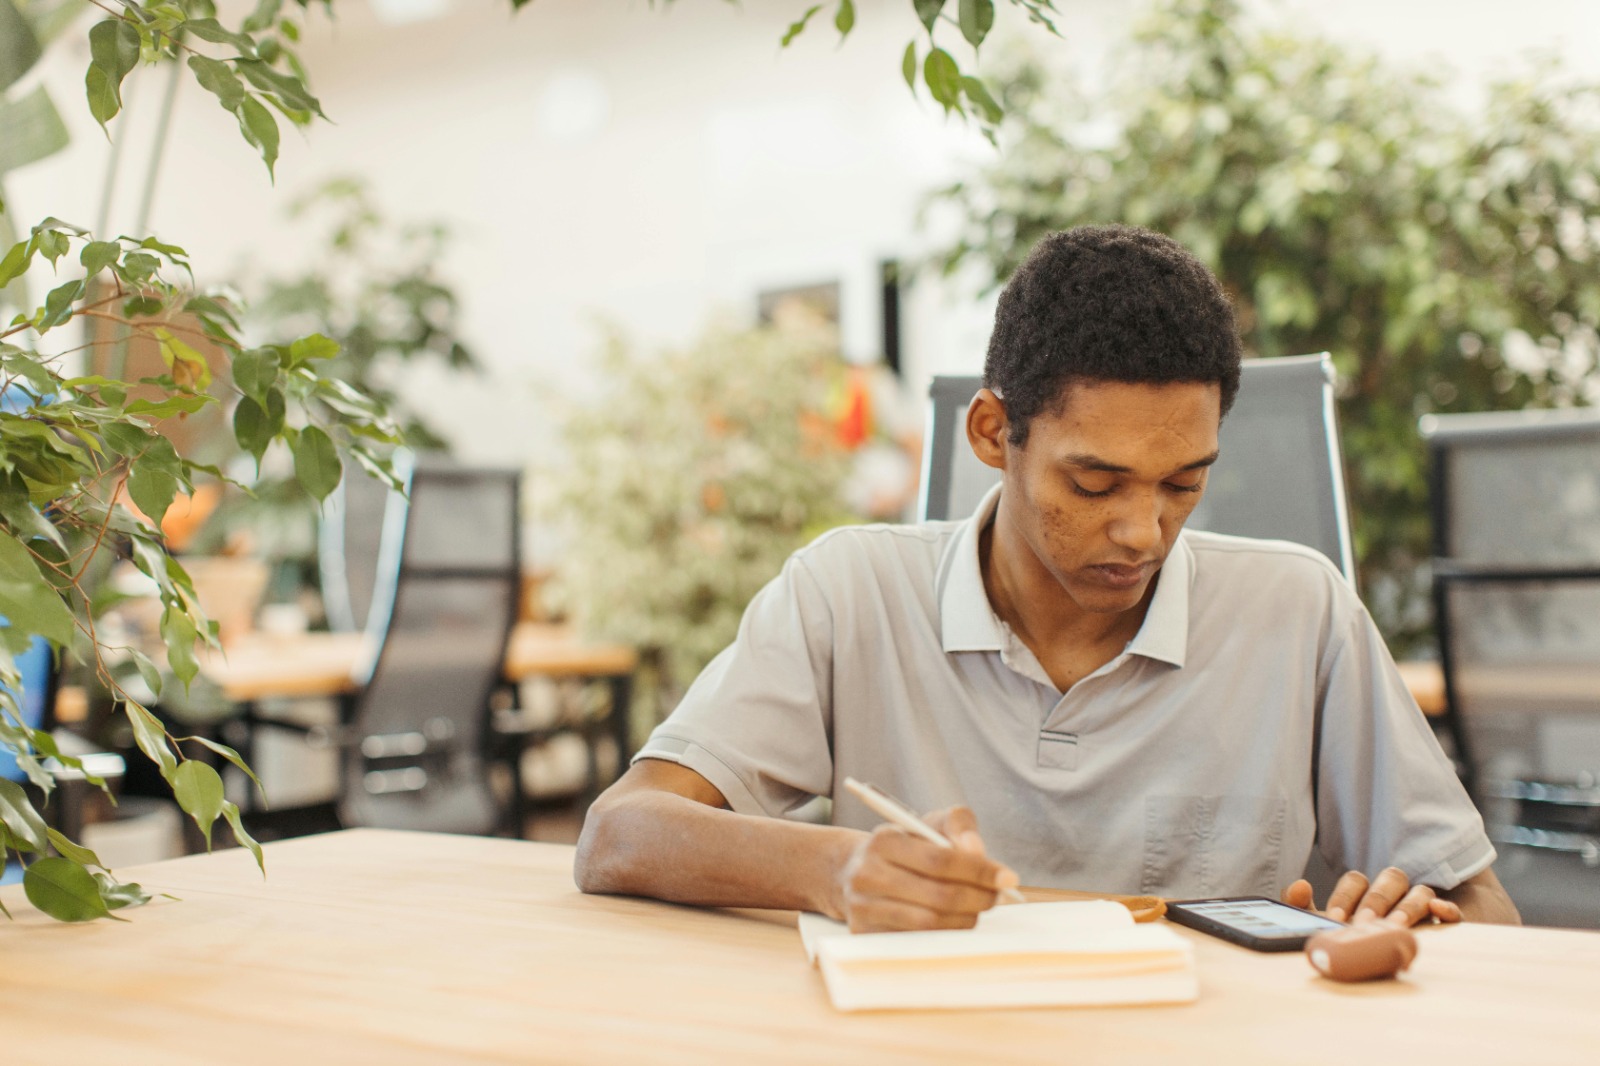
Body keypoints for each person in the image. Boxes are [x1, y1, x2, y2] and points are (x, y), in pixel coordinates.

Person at [574, 224, 1519, 931]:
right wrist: (832, 869)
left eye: (1184, 483)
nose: (1144, 530)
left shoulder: (1299, 611)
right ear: (995, 434)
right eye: (1095, 481)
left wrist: (1423, 928)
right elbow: (619, 834)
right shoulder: (848, 590)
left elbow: (1486, 909)